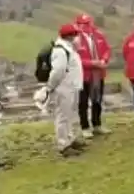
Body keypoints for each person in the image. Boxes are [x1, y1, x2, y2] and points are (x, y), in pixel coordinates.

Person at [39, 24, 87, 158]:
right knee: (63, 116)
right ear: (70, 36)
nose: (78, 38)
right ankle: (63, 144)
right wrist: (50, 87)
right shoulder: (60, 51)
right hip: (63, 88)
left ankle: (70, 139)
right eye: (76, 35)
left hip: (71, 87)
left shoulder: (69, 49)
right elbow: (58, 71)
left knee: (70, 115)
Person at [73, 14, 111, 137]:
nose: (87, 26)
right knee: (83, 102)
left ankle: (97, 124)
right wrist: (93, 63)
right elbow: (76, 59)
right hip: (84, 76)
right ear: (78, 25)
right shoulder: (76, 39)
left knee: (97, 100)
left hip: (98, 75)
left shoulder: (98, 35)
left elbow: (106, 49)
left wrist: (104, 60)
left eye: (88, 23)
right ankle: (85, 127)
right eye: (84, 24)